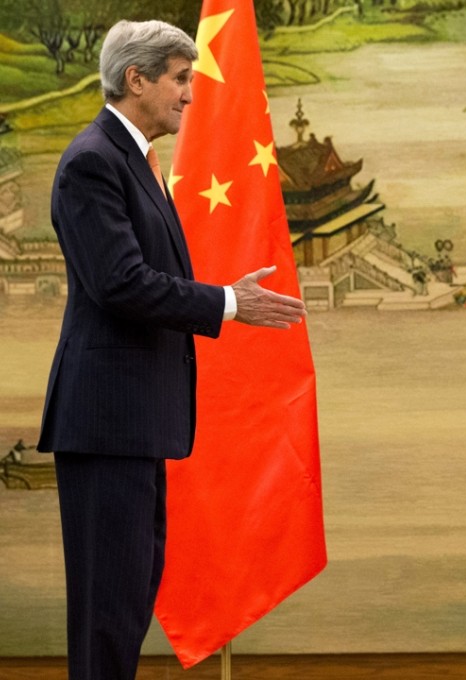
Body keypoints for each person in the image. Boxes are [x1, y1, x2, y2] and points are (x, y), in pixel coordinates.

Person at [36, 20, 307, 680]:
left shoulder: (131, 159)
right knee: (108, 612)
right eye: (181, 79)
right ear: (136, 80)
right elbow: (121, 283)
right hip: (107, 425)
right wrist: (229, 303)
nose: (190, 94)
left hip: (132, 424)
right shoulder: (92, 162)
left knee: (126, 604)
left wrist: (224, 299)